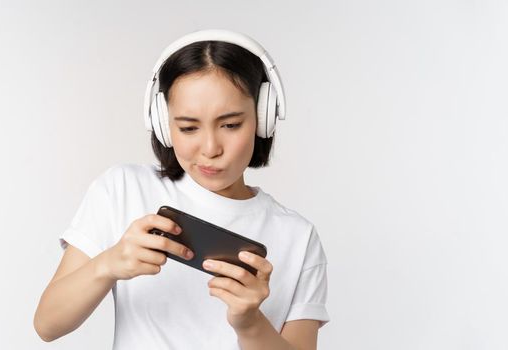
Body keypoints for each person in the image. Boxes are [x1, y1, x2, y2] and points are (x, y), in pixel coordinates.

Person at [34, 29, 329, 350]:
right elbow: (47, 325)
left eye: (230, 125)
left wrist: (250, 322)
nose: (210, 148)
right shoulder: (122, 189)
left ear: (263, 118)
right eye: (188, 127)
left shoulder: (297, 237)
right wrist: (109, 264)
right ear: (163, 124)